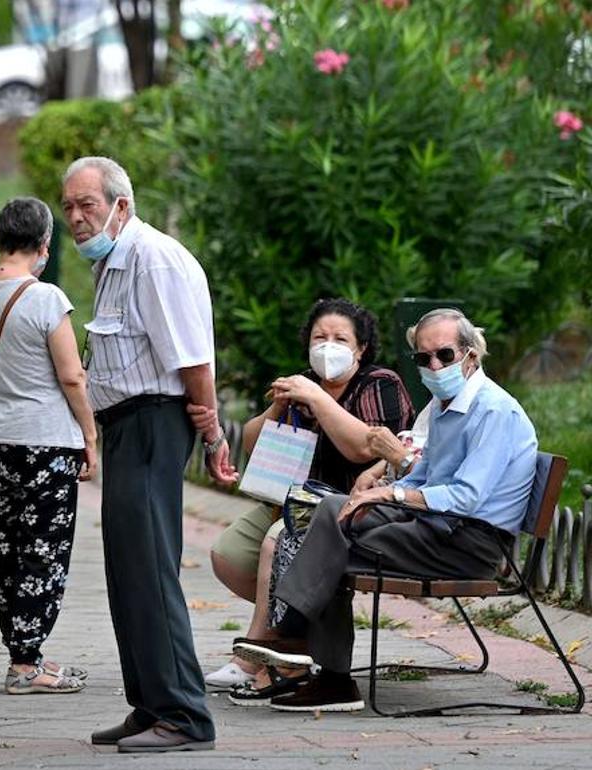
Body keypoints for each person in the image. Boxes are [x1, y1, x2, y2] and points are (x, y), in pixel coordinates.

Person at [235, 309, 538, 713]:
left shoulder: (493, 411)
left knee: (333, 541)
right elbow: (423, 475)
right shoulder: (447, 403)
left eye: (444, 356)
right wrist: (381, 491)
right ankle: (300, 648)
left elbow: (466, 497)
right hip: (432, 526)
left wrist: (389, 498)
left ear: (471, 356)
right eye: (423, 358)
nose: (433, 365)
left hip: (468, 542)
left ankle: (310, 655)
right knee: (332, 508)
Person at [62, 156, 236, 753]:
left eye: (88, 204)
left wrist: (213, 434)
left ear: (121, 205)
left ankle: (185, 715)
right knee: (127, 570)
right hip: (125, 429)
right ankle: (150, 702)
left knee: (152, 569)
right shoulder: (114, 262)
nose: (77, 218)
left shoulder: (154, 258)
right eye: (70, 208)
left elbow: (192, 358)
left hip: (155, 424)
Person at [203, 299, 415, 701]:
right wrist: (279, 406)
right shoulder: (303, 383)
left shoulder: (379, 383)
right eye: (320, 337)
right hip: (296, 499)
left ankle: (257, 658)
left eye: (340, 339)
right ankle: (299, 637)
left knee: (278, 541)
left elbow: (363, 448)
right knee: (227, 555)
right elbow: (251, 443)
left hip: (355, 507)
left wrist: (319, 400)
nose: (328, 346)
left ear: (361, 348)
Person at [0, 197, 98, 696]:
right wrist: (89, 434)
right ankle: (26, 664)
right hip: (46, 442)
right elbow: (72, 376)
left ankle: (22, 651)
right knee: (45, 552)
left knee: (10, 547)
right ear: (44, 244)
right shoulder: (44, 298)